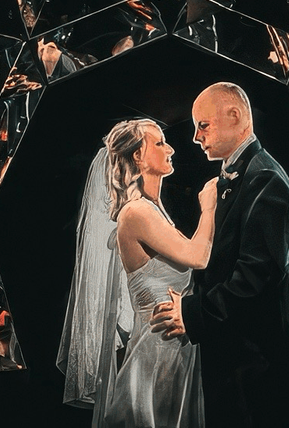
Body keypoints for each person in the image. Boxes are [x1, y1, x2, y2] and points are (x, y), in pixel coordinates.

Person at [150, 83, 289, 427]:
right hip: (236, 359)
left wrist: (192, 312)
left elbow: (256, 275)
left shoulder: (266, 179)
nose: (194, 137)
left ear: (235, 116)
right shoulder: (245, 174)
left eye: (203, 125)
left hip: (254, 366)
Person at [58, 116, 213, 427]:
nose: (170, 149)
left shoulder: (154, 211)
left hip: (175, 351)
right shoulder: (136, 212)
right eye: (159, 142)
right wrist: (209, 206)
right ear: (138, 156)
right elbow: (198, 257)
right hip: (156, 354)